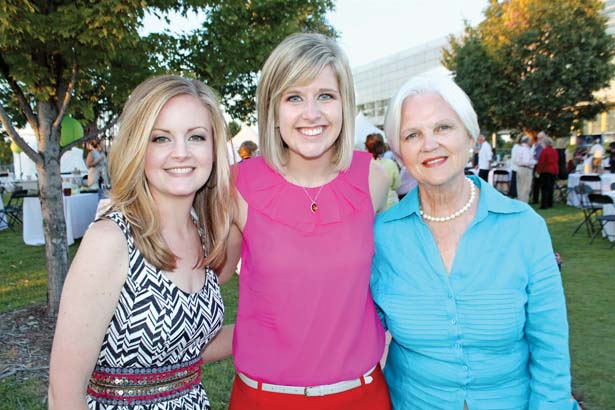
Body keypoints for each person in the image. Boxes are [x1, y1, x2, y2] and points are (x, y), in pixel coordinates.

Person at [371, 72, 576, 409]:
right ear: (400, 151)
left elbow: (550, 350)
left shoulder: (524, 228)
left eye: (443, 127)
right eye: (412, 134)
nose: (429, 144)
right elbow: (355, 332)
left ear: (469, 135)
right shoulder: (382, 236)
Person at [221, 32, 391, 410]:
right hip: (262, 399)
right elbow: (206, 280)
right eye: (294, 97)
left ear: (344, 104)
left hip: (361, 397)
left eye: (325, 96)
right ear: (272, 108)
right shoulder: (237, 186)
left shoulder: (372, 178)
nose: (311, 113)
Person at [49, 75, 234, 409]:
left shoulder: (203, 234)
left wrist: (278, 326)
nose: (181, 153)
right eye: (161, 138)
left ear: (213, 147)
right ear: (138, 147)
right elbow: (64, 394)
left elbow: (187, 347)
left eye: (196, 137)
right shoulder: (111, 240)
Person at [365, 133, 401, 210]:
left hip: (371, 207)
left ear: (367, 148)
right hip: (390, 206)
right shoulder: (391, 164)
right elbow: (397, 185)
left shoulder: (362, 166)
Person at [536, 135, 559, 209]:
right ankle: (550, 202)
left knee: (544, 188)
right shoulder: (554, 151)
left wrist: (538, 171)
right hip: (553, 170)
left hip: (546, 170)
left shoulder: (545, 151)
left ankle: (544, 204)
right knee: (551, 188)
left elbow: (542, 162)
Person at [514, 135, 536, 203]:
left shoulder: (519, 148)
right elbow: (526, 162)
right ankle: (524, 202)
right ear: (527, 141)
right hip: (525, 169)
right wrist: (534, 162)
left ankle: (520, 202)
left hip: (519, 168)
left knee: (520, 187)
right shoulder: (526, 149)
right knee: (526, 188)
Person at [531, 131, 545, 203]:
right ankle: (535, 198)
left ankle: (543, 199)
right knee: (535, 183)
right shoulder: (534, 145)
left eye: (541, 138)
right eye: (538, 138)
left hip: (543, 166)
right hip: (536, 165)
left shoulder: (544, 146)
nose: (539, 140)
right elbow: (531, 153)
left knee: (543, 183)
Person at [509, 134, 523, 198]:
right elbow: (514, 158)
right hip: (516, 168)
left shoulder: (520, 147)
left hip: (518, 168)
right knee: (515, 184)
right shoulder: (516, 147)